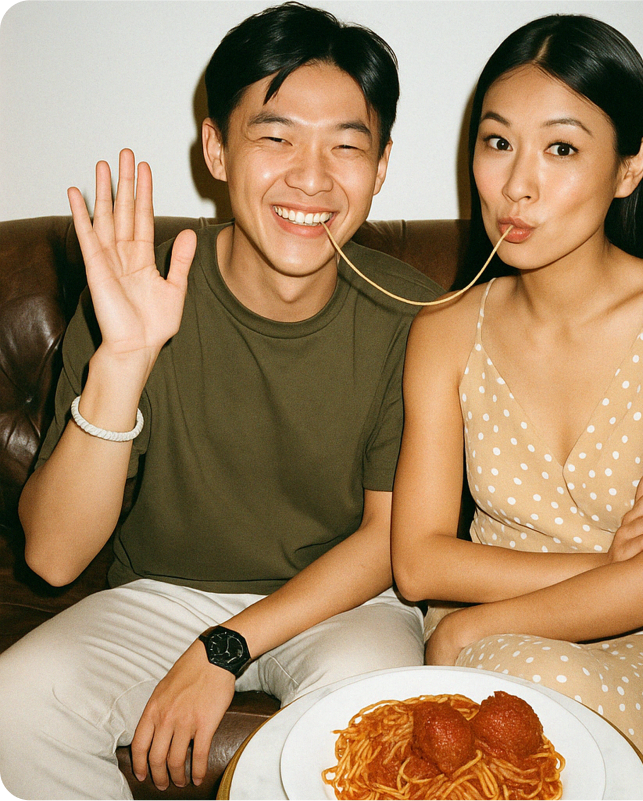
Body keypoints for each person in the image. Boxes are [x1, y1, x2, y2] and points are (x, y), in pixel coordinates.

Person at [0, 4, 442, 799]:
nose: (312, 176)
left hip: (342, 597)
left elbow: (388, 538)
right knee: (14, 706)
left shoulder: (415, 314)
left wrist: (226, 647)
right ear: (215, 148)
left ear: (379, 169)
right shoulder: (138, 290)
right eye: (275, 137)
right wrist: (124, 357)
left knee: (373, 711)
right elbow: (54, 555)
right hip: (164, 590)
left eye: (346, 145)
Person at [391, 14, 643, 801]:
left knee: (530, 688)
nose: (518, 184)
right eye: (497, 143)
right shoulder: (443, 329)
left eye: (561, 148)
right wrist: (607, 563)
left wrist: (467, 628)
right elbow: (418, 560)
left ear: (629, 167)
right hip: (498, 639)